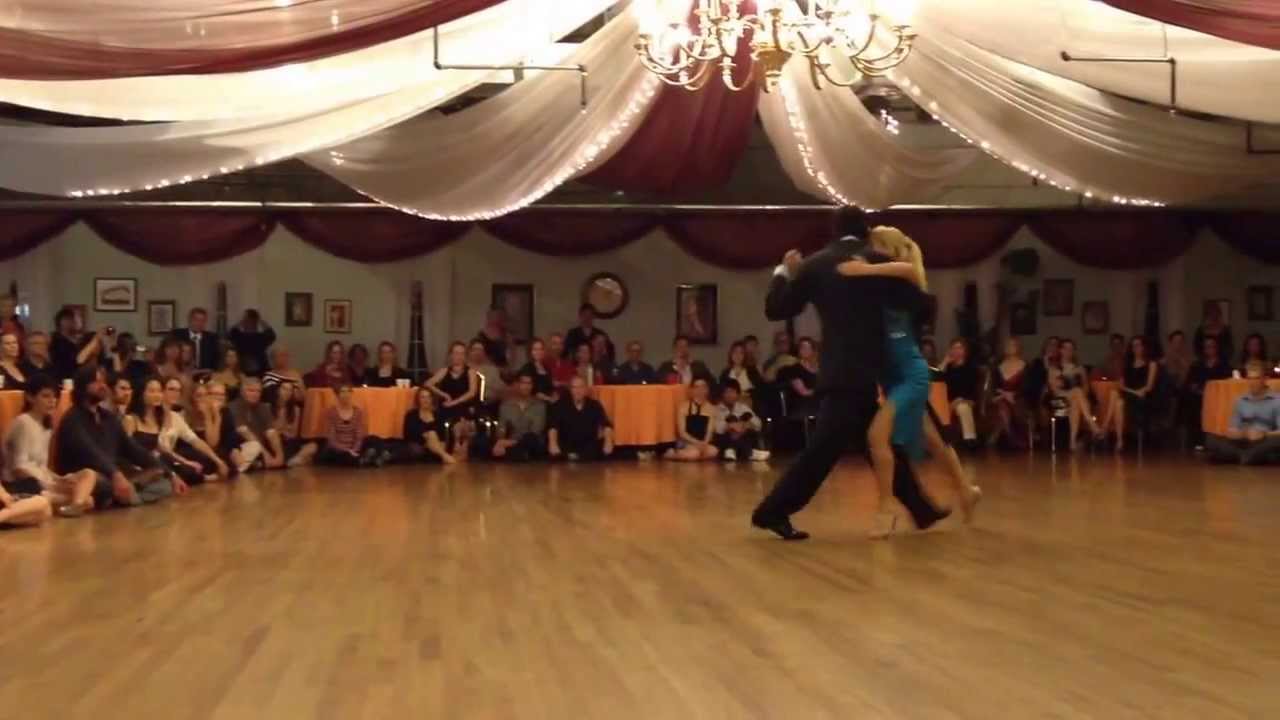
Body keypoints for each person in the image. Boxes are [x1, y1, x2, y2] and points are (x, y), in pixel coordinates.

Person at [751, 208, 951, 541]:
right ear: (865, 231)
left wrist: (783, 271)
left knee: (875, 443)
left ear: (835, 230)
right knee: (824, 449)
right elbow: (924, 306)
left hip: (839, 371)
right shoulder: (876, 262)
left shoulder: (815, 265)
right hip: (862, 373)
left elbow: (776, 308)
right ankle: (771, 512)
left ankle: (921, 509)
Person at [835, 226, 981, 537]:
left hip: (911, 375)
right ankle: (966, 490)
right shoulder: (881, 287)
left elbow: (907, 269)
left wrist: (862, 269)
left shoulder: (904, 279)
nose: (869, 250)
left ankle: (886, 510)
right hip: (892, 377)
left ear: (887, 249)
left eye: (875, 245)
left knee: (876, 437)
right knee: (933, 438)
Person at [54, 364, 165, 507]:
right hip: (88, 477)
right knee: (102, 484)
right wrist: (115, 474)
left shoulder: (108, 417)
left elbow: (133, 449)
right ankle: (127, 495)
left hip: (113, 475)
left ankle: (126, 495)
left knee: (162, 479)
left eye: (103, 382)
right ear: (83, 386)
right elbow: (90, 454)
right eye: (97, 382)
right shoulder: (72, 419)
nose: (103, 386)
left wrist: (167, 472)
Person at [3, 374, 96, 518]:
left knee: (88, 475)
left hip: (44, 481)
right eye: (46, 396)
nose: (52, 401)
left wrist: (58, 479)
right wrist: (49, 485)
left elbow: (41, 466)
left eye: (55, 397)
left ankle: (75, 505)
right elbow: (18, 468)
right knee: (87, 500)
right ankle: (69, 504)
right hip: (24, 483)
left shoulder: (46, 427)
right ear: (30, 397)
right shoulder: (23, 422)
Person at [1203, 365, 1280, 465]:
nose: (1252, 382)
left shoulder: (1277, 400)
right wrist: (1243, 434)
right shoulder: (1240, 400)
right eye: (1250, 379)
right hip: (1243, 441)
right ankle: (1248, 457)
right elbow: (1232, 430)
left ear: (1265, 379)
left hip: (1264, 440)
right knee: (1210, 439)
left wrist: (1264, 434)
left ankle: (1240, 457)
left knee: (1276, 442)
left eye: (1256, 378)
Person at [1101, 335, 1159, 451]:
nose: (1136, 348)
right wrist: (1132, 391)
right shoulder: (1127, 364)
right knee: (1117, 399)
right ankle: (1119, 440)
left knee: (1117, 399)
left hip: (1144, 396)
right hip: (1130, 393)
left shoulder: (1151, 364)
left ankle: (1105, 427)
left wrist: (1137, 392)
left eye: (1138, 345)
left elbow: (1149, 387)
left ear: (1144, 347)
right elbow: (1121, 385)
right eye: (1133, 346)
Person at [425, 342, 479, 456]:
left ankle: (461, 443)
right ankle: (457, 444)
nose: (458, 356)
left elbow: (472, 392)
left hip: (463, 404)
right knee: (455, 418)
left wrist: (454, 402)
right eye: (456, 353)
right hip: (447, 407)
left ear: (465, 356)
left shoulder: (470, 372)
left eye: (461, 353)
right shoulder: (444, 371)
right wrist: (444, 394)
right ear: (450, 355)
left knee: (463, 417)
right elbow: (428, 384)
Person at [317, 383, 388, 467]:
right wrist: (347, 450)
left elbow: (359, 435)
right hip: (339, 449)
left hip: (355, 446)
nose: (346, 394)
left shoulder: (357, 411)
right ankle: (365, 459)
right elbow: (331, 440)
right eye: (343, 392)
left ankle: (372, 457)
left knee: (375, 439)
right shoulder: (332, 412)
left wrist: (355, 449)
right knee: (338, 455)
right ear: (337, 394)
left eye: (348, 391)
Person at [1051, 338, 1104, 450]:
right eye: (1065, 348)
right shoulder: (1054, 368)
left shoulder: (1080, 369)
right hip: (1059, 403)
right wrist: (1071, 393)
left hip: (1079, 401)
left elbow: (1086, 388)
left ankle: (1072, 442)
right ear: (1060, 350)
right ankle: (1091, 423)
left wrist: (1078, 395)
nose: (1068, 351)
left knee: (1076, 401)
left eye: (1071, 349)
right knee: (1076, 391)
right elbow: (1055, 391)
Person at [1184, 336, 1234, 450]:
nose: (1209, 349)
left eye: (1212, 346)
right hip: (1199, 397)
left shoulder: (1224, 365)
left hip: (1218, 398)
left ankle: (1217, 442)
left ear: (1217, 348)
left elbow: (1227, 382)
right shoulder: (1196, 365)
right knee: (1194, 406)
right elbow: (1190, 383)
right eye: (1207, 346)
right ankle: (1198, 442)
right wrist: (1198, 390)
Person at [548, 377, 614, 461]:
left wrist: (608, 441)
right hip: (566, 445)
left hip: (588, 446)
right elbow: (553, 427)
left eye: (581, 387)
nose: (578, 391)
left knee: (606, 449)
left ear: (586, 389)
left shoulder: (595, 405)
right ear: (570, 390)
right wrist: (553, 443)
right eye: (574, 387)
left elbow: (607, 425)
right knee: (554, 451)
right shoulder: (560, 405)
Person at [230, 378, 285, 471]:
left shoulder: (264, 407)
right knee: (253, 447)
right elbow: (245, 433)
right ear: (242, 392)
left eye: (258, 391)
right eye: (251, 390)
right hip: (242, 448)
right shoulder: (233, 407)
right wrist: (266, 455)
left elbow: (271, 432)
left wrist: (280, 456)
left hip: (261, 447)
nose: (255, 394)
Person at [491, 373, 547, 462]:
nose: (526, 387)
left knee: (531, 439)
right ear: (516, 385)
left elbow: (536, 431)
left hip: (530, 443)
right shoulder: (506, 405)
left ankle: (514, 453)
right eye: (523, 383)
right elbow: (501, 428)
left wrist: (511, 442)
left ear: (532, 386)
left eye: (529, 383)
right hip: (510, 442)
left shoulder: (539, 406)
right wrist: (500, 441)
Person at [395, 387, 456, 464]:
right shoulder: (411, 415)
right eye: (422, 397)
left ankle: (441, 454)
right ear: (418, 400)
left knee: (432, 435)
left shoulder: (438, 414)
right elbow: (407, 433)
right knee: (430, 436)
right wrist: (425, 436)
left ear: (432, 399)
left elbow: (443, 432)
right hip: (419, 445)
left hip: (437, 444)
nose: (426, 400)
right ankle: (444, 455)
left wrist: (433, 437)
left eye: (428, 397)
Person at [664, 377, 720, 461]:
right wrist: (696, 443)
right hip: (686, 442)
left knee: (713, 451)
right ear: (692, 390)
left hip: (702, 443)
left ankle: (694, 456)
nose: (700, 390)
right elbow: (682, 432)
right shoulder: (684, 407)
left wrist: (704, 443)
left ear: (707, 389)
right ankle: (673, 454)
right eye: (697, 387)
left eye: (703, 387)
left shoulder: (711, 408)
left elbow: (709, 431)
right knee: (694, 453)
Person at [714, 380, 769, 462]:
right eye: (727, 392)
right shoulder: (716, 409)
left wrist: (745, 426)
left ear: (737, 394)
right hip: (726, 439)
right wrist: (730, 427)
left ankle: (733, 450)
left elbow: (758, 424)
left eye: (732, 392)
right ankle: (750, 453)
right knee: (727, 433)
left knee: (749, 432)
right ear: (722, 394)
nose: (730, 395)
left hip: (742, 437)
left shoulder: (743, 408)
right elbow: (715, 427)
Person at [989, 338, 1029, 449]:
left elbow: (1026, 388)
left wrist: (1013, 395)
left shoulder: (1025, 366)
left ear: (1018, 347)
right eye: (1007, 345)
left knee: (1010, 406)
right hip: (1000, 398)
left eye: (1012, 345)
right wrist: (1003, 395)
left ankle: (1001, 437)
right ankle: (1012, 438)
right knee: (1002, 405)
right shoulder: (997, 367)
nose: (1009, 347)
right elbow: (994, 387)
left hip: (1018, 398)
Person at [940, 338, 980, 445]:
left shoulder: (971, 367)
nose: (957, 350)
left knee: (962, 408)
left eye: (959, 348)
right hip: (948, 401)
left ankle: (970, 440)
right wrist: (945, 362)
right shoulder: (948, 367)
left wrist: (959, 400)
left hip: (966, 399)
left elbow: (970, 388)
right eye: (954, 348)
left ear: (965, 350)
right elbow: (936, 379)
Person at [270, 380, 318, 466]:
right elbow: (271, 430)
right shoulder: (269, 407)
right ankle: (294, 460)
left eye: (290, 390)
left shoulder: (296, 409)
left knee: (313, 446)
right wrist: (283, 431)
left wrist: (283, 431)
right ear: (278, 390)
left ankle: (293, 460)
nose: (287, 392)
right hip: (275, 443)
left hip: (289, 442)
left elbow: (293, 434)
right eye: (284, 389)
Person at [50, 307, 104, 382]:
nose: (77, 323)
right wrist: (95, 339)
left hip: (81, 380)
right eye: (74, 320)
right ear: (64, 322)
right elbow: (78, 360)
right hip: (65, 381)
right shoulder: (58, 342)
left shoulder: (79, 340)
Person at [777, 337, 820, 418]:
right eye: (802, 347)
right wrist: (821, 392)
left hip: (818, 401)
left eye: (808, 347)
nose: (805, 350)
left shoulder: (819, 368)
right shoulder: (794, 369)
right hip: (803, 404)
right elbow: (803, 392)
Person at [227, 308, 277, 376]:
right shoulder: (239, 336)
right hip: (242, 372)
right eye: (244, 319)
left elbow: (272, 336)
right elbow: (229, 334)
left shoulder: (260, 337)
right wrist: (240, 323)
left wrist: (260, 321)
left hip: (261, 371)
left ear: (253, 321)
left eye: (246, 319)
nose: (244, 321)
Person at [171, 307, 220, 372]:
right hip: (181, 373)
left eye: (202, 321)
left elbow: (217, 360)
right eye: (196, 320)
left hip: (205, 374)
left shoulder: (212, 338)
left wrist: (211, 371)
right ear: (189, 320)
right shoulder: (177, 335)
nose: (199, 323)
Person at [719, 341, 764, 405]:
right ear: (731, 354)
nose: (738, 355)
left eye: (741, 353)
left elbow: (760, 391)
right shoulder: (725, 373)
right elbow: (721, 392)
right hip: (730, 403)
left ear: (745, 356)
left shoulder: (752, 371)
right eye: (735, 352)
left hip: (749, 403)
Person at [467, 339, 507, 410]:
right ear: (469, 352)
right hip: (466, 404)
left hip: (488, 405)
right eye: (475, 349)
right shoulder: (463, 368)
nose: (477, 353)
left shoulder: (492, 370)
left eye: (480, 350)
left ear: (484, 353)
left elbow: (501, 390)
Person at [515, 337, 557, 402]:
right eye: (535, 349)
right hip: (534, 402)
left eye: (541, 349)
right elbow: (530, 391)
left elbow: (550, 387)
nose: (538, 352)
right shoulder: (527, 368)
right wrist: (548, 398)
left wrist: (554, 395)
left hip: (548, 401)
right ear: (530, 352)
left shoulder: (547, 368)